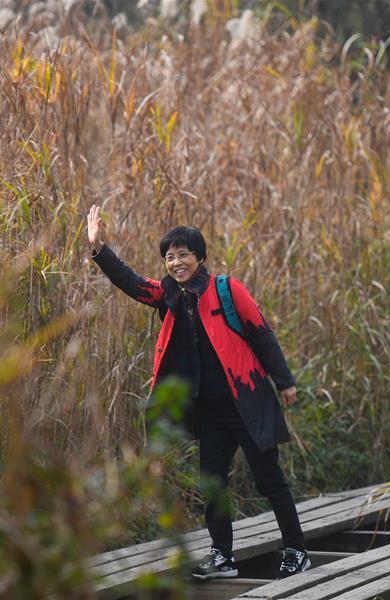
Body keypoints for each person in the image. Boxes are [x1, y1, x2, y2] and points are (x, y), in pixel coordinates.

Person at [86, 205, 310, 580]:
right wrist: (99, 249)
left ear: (200, 257)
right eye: (170, 257)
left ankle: (297, 551)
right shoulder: (168, 295)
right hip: (209, 411)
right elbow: (131, 282)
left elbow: (261, 332)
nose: (176, 263)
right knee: (212, 484)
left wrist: (284, 381)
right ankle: (222, 557)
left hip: (246, 402)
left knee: (269, 479)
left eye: (183, 255)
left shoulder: (227, 289)